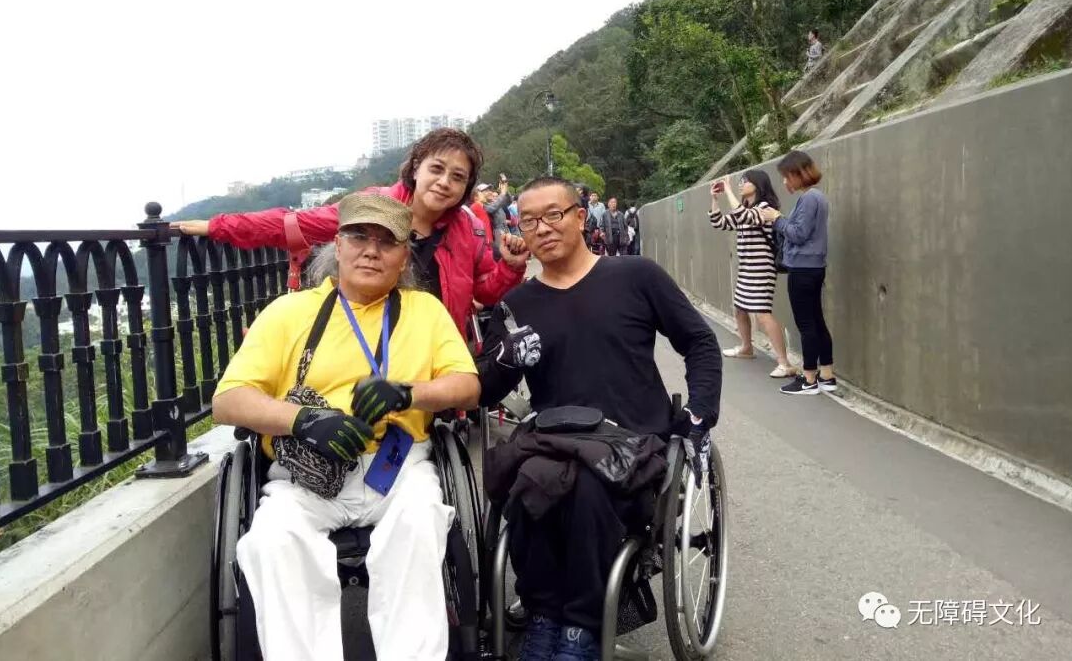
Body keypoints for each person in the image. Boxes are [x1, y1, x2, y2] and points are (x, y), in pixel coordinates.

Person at [213, 193, 480, 660]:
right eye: (359, 237)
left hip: (397, 467)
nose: (371, 251)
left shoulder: (424, 310)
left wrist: (409, 393)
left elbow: (468, 387)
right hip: (308, 473)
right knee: (273, 540)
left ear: (404, 257)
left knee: (420, 523)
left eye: (387, 242)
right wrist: (302, 420)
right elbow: (227, 400)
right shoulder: (288, 312)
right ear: (337, 246)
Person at [478, 176, 722, 660]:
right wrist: (505, 358)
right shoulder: (517, 306)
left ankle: (579, 629)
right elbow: (488, 389)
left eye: (553, 214)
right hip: (555, 442)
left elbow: (699, 341)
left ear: (579, 217)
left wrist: (700, 412)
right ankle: (544, 617)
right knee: (526, 488)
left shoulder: (636, 276)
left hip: (635, 443)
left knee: (589, 490)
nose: (542, 228)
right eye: (529, 220)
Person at [173, 128, 528, 338]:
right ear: (416, 168)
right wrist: (216, 226)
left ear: (466, 187)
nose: (444, 182)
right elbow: (297, 224)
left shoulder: (468, 229)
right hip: (367, 344)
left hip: (431, 352)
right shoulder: (373, 207)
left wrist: (510, 267)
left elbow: (483, 290)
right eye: (437, 169)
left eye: (458, 177)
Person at [760, 150, 835, 395]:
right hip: (814, 267)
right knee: (816, 321)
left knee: (806, 324)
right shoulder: (817, 197)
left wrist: (776, 218)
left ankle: (809, 379)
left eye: (786, 176)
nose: (784, 182)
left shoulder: (808, 199)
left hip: (802, 268)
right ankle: (827, 375)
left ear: (797, 174)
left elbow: (798, 234)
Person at [709, 171, 796, 378]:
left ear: (758, 184)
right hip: (747, 268)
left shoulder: (765, 208)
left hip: (762, 268)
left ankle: (784, 363)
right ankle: (746, 347)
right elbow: (720, 222)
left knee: (762, 313)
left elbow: (745, 216)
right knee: (740, 309)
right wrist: (715, 199)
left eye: (745, 181)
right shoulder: (745, 209)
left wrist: (728, 191)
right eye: (739, 182)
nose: (741, 184)